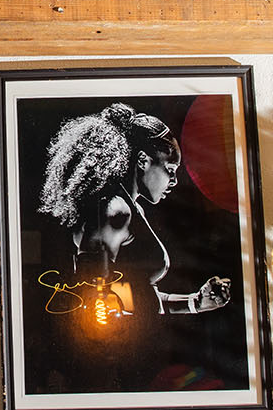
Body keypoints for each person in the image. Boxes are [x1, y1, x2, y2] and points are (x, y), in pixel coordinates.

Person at [38, 104, 230, 318]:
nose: (174, 181)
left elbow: (140, 298)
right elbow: (91, 297)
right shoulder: (115, 210)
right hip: (120, 348)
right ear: (142, 161)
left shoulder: (127, 207)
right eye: (170, 169)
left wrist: (195, 302)